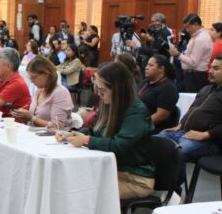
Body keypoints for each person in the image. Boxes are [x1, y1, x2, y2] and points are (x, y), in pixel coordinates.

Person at [59, 62, 155, 199]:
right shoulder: (111, 104)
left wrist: (86, 140)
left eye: (103, 91)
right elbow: (96, 131)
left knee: (82, 193)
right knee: (71, 183)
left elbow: (118, 145)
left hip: (135, 179)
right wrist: (71, 134)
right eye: (97, 89)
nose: (99, 95)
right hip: (111, 170)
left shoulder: (137, 112)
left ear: (118, 89)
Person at [158, 55, 222, 192]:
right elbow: (192, 109)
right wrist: (180, 125)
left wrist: (206, 134)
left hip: (210, 141)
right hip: (185, 133)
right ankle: (156, 185)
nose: (210, 71)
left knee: (178, 152)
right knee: (155, 141)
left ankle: (173, 192)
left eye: (216, 68)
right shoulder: (206, 89)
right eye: (211, 67)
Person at [12, 56, 74, 130]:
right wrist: (23, 116)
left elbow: (57, 127)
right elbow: (33, 119)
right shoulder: (40, 91)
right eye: (30, 78)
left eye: (34, 77)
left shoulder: (60, 93)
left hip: (52, 136)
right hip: (35, 133)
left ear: (47, 74)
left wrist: (31, 118)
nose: (31, 81)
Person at [170, 14, 212, 92]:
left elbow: (193, 62)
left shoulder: (200, 39)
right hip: (194, 75)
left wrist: (178, 54)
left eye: (188, 27)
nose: (187, 30)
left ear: (196, 24)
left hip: (195, 76)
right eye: (185, 28)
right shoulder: (197, 36)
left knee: (192, 98)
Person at [137, 54, 179, 133]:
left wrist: (140, 125)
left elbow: (161, 115)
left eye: (150, 65)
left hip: (152, 128)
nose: (146, 67)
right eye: (147, 65)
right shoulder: (145, 82)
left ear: (161, 69)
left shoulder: (168, 88)